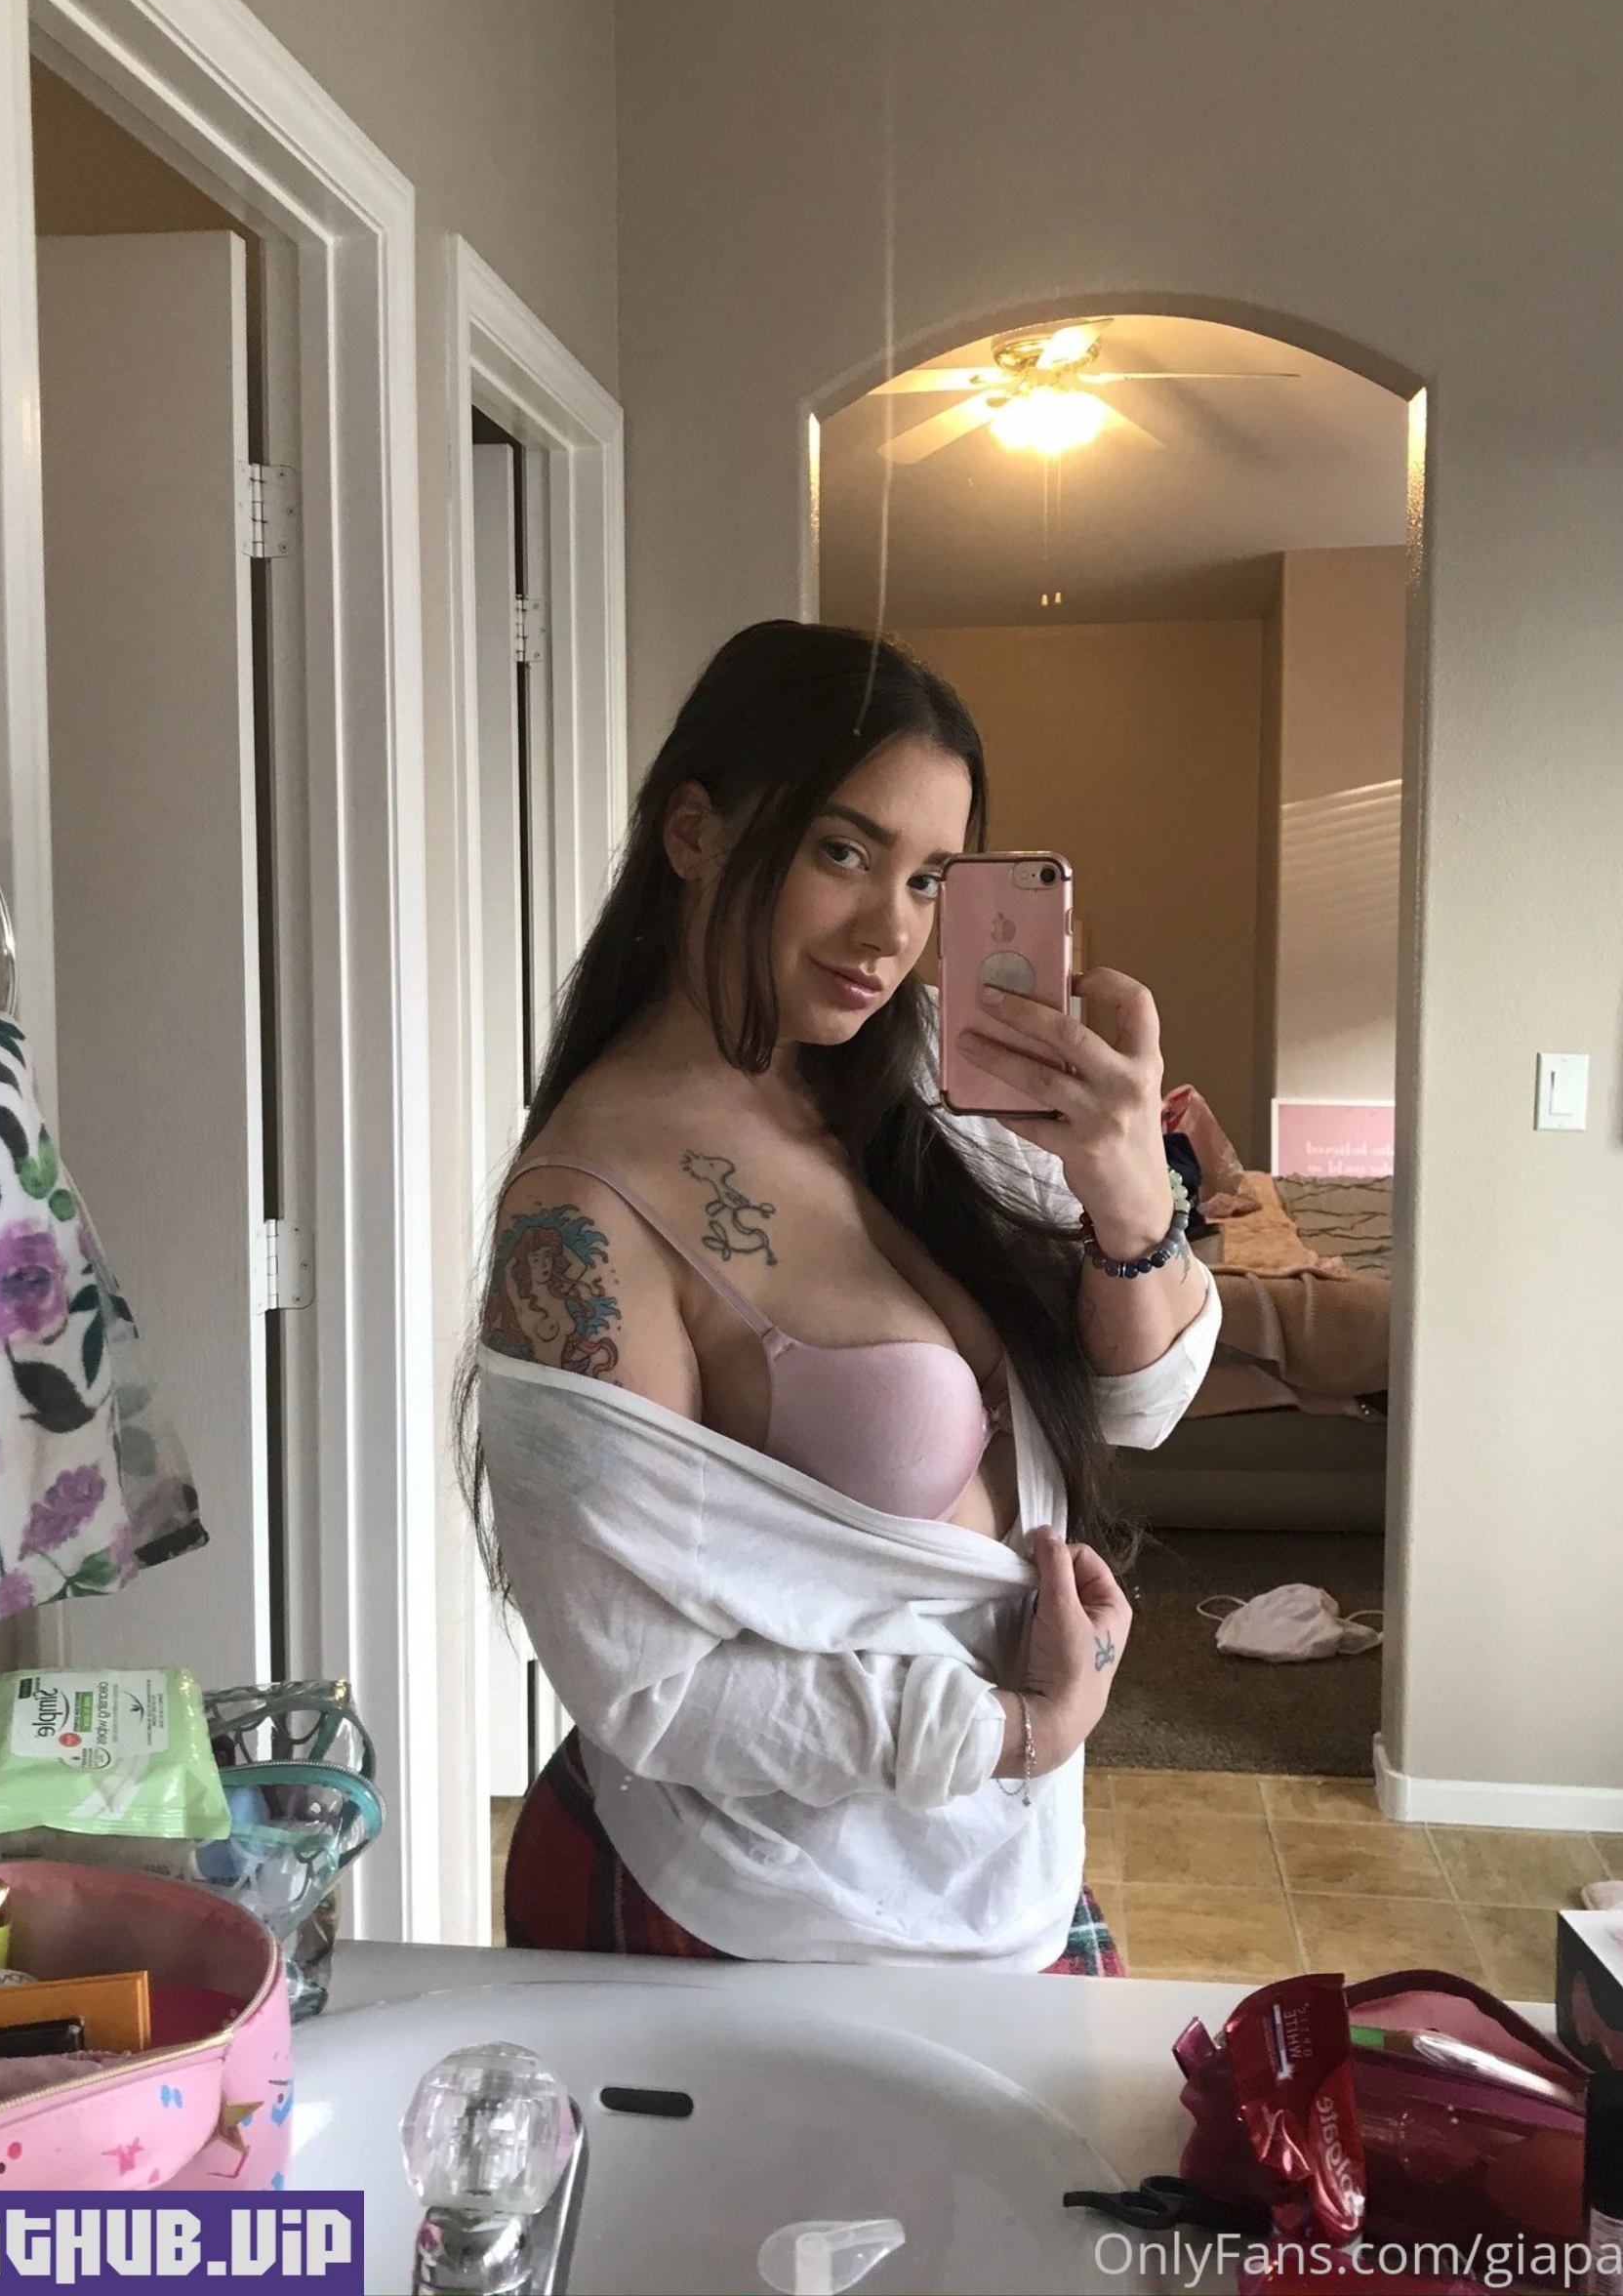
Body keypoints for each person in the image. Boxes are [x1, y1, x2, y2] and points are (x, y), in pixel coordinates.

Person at [466, 621, 1219, 1971]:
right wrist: (1018, 1728)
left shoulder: (919, 1067)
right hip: (761, 1903)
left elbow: (1141, 1405)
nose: (892, 931)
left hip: (997, 1858)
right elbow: (648, 1687)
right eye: (843, 853)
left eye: (929, 878)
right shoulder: (583, 1217)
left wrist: (1127, 1196)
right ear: (692, 833)